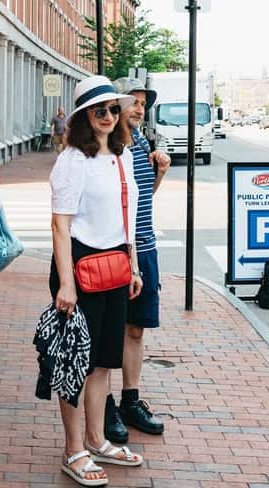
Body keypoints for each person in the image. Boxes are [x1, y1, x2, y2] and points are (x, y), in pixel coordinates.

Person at [49, 75, 145, 486]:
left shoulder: (122, 155)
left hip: (116, 265)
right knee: (76, 362)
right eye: (99, 110)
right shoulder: (73, 159)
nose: (108, 116)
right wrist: (66, 283)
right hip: (81, 264)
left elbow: (129, 217)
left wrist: (134, 264)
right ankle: (74, 450)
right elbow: (59, 225)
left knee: (104, 360)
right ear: (85, 117)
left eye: (112, 109)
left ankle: (96, 438)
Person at [103, 77, 170, 443]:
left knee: (136, 328)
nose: (140, 109)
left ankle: (131, 398)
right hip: (115, 249)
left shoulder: (142, 142)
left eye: (144, 104)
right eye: (134, 102)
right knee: (111, 328)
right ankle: (106, 403)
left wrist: (159, 173)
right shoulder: (108, 146)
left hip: (145, 246)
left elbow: (143, 200)